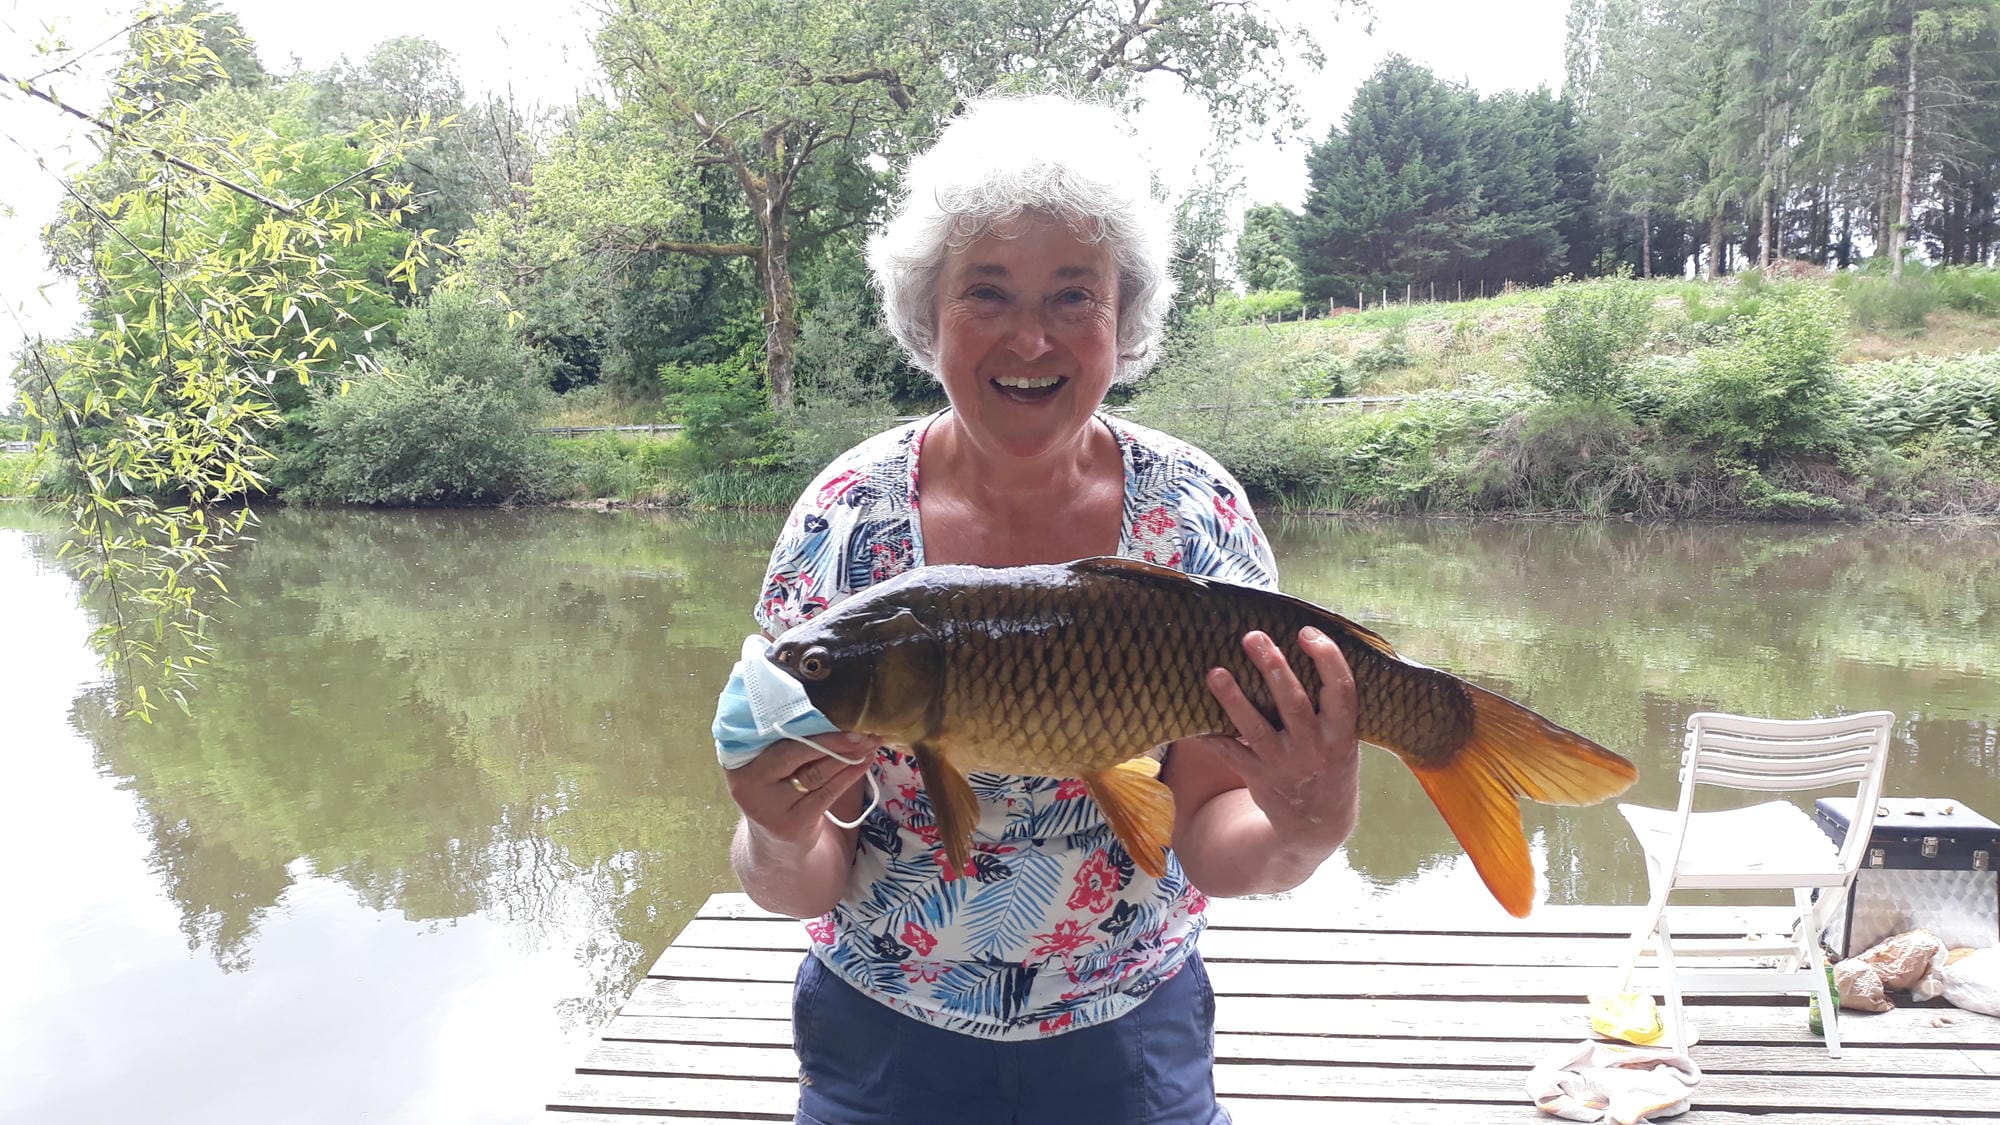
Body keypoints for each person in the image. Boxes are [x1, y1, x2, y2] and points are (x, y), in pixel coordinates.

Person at [721, 93, 1361, 1125]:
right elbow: (798, 875)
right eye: (988, 293)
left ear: (1124, 320)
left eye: (1074, 296)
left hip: (1127, 1035)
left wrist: (1308, 819)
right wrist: (774, 836)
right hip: (880, 1037)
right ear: (928, 316)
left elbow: (1204, 830)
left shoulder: (1194, 516)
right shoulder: (842, 523)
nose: (1030, 338)